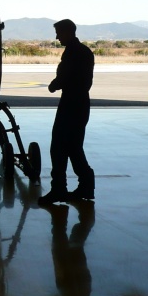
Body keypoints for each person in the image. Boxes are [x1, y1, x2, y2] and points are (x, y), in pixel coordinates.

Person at [38, 19, 95, 206]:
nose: (57, 37)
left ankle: (59, 189)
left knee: (58, 148)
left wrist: (53, 85)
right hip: (80, 103)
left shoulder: (72, 53)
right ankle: (86, 186)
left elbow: (64, 77)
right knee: (74, 147)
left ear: (67, 32)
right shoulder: (84, 51)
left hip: (71, 103)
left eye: (59, 33)